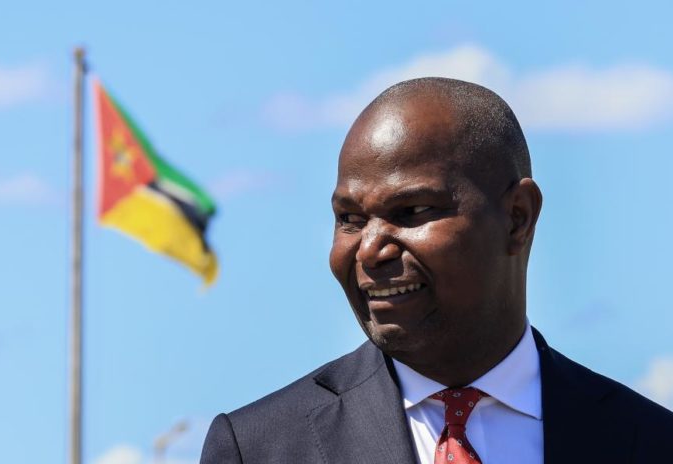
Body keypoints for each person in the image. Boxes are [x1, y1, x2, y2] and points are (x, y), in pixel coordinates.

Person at [200, 78, 673, 463]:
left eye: (411, 211)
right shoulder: (260, 450)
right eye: (350, 219)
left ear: (517, 217)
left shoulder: (649, 442)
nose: (370, 251)